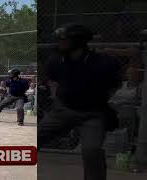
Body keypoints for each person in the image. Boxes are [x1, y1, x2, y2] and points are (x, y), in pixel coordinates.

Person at [38, 23, 122, 180]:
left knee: (91, 150)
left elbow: (115, 84)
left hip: (92, 114)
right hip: (64, 110)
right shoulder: (57, 60)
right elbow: (52, 79)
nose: (59, 43)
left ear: (78, 41)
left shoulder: (102, 62)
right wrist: (57, 99)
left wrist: (101, 100)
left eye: (64, 40)